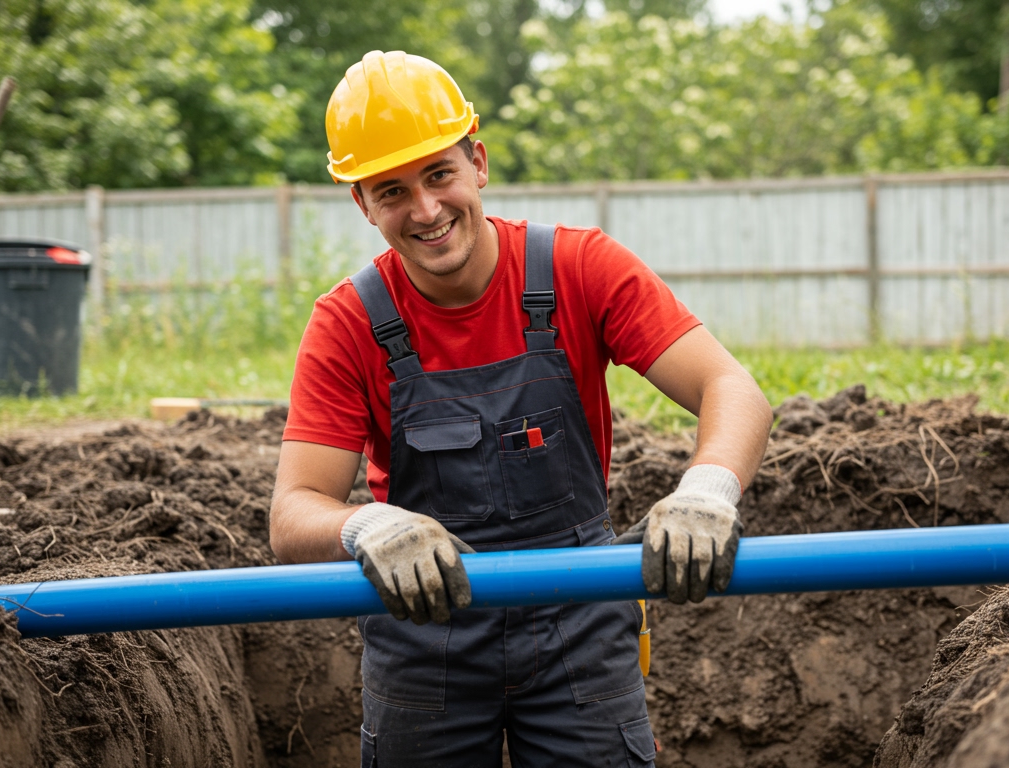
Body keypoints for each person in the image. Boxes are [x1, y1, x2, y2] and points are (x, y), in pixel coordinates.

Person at [269, 50, 772, 768]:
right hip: (424, 630)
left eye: (438, 173)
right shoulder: (348, 322)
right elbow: (293, 514)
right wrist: (368, 525)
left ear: (477, 160)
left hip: (580, 615)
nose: (426, 210)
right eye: (391, 190)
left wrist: (708, 489)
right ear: (362, 203)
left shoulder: (580, 268)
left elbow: (732, 389)